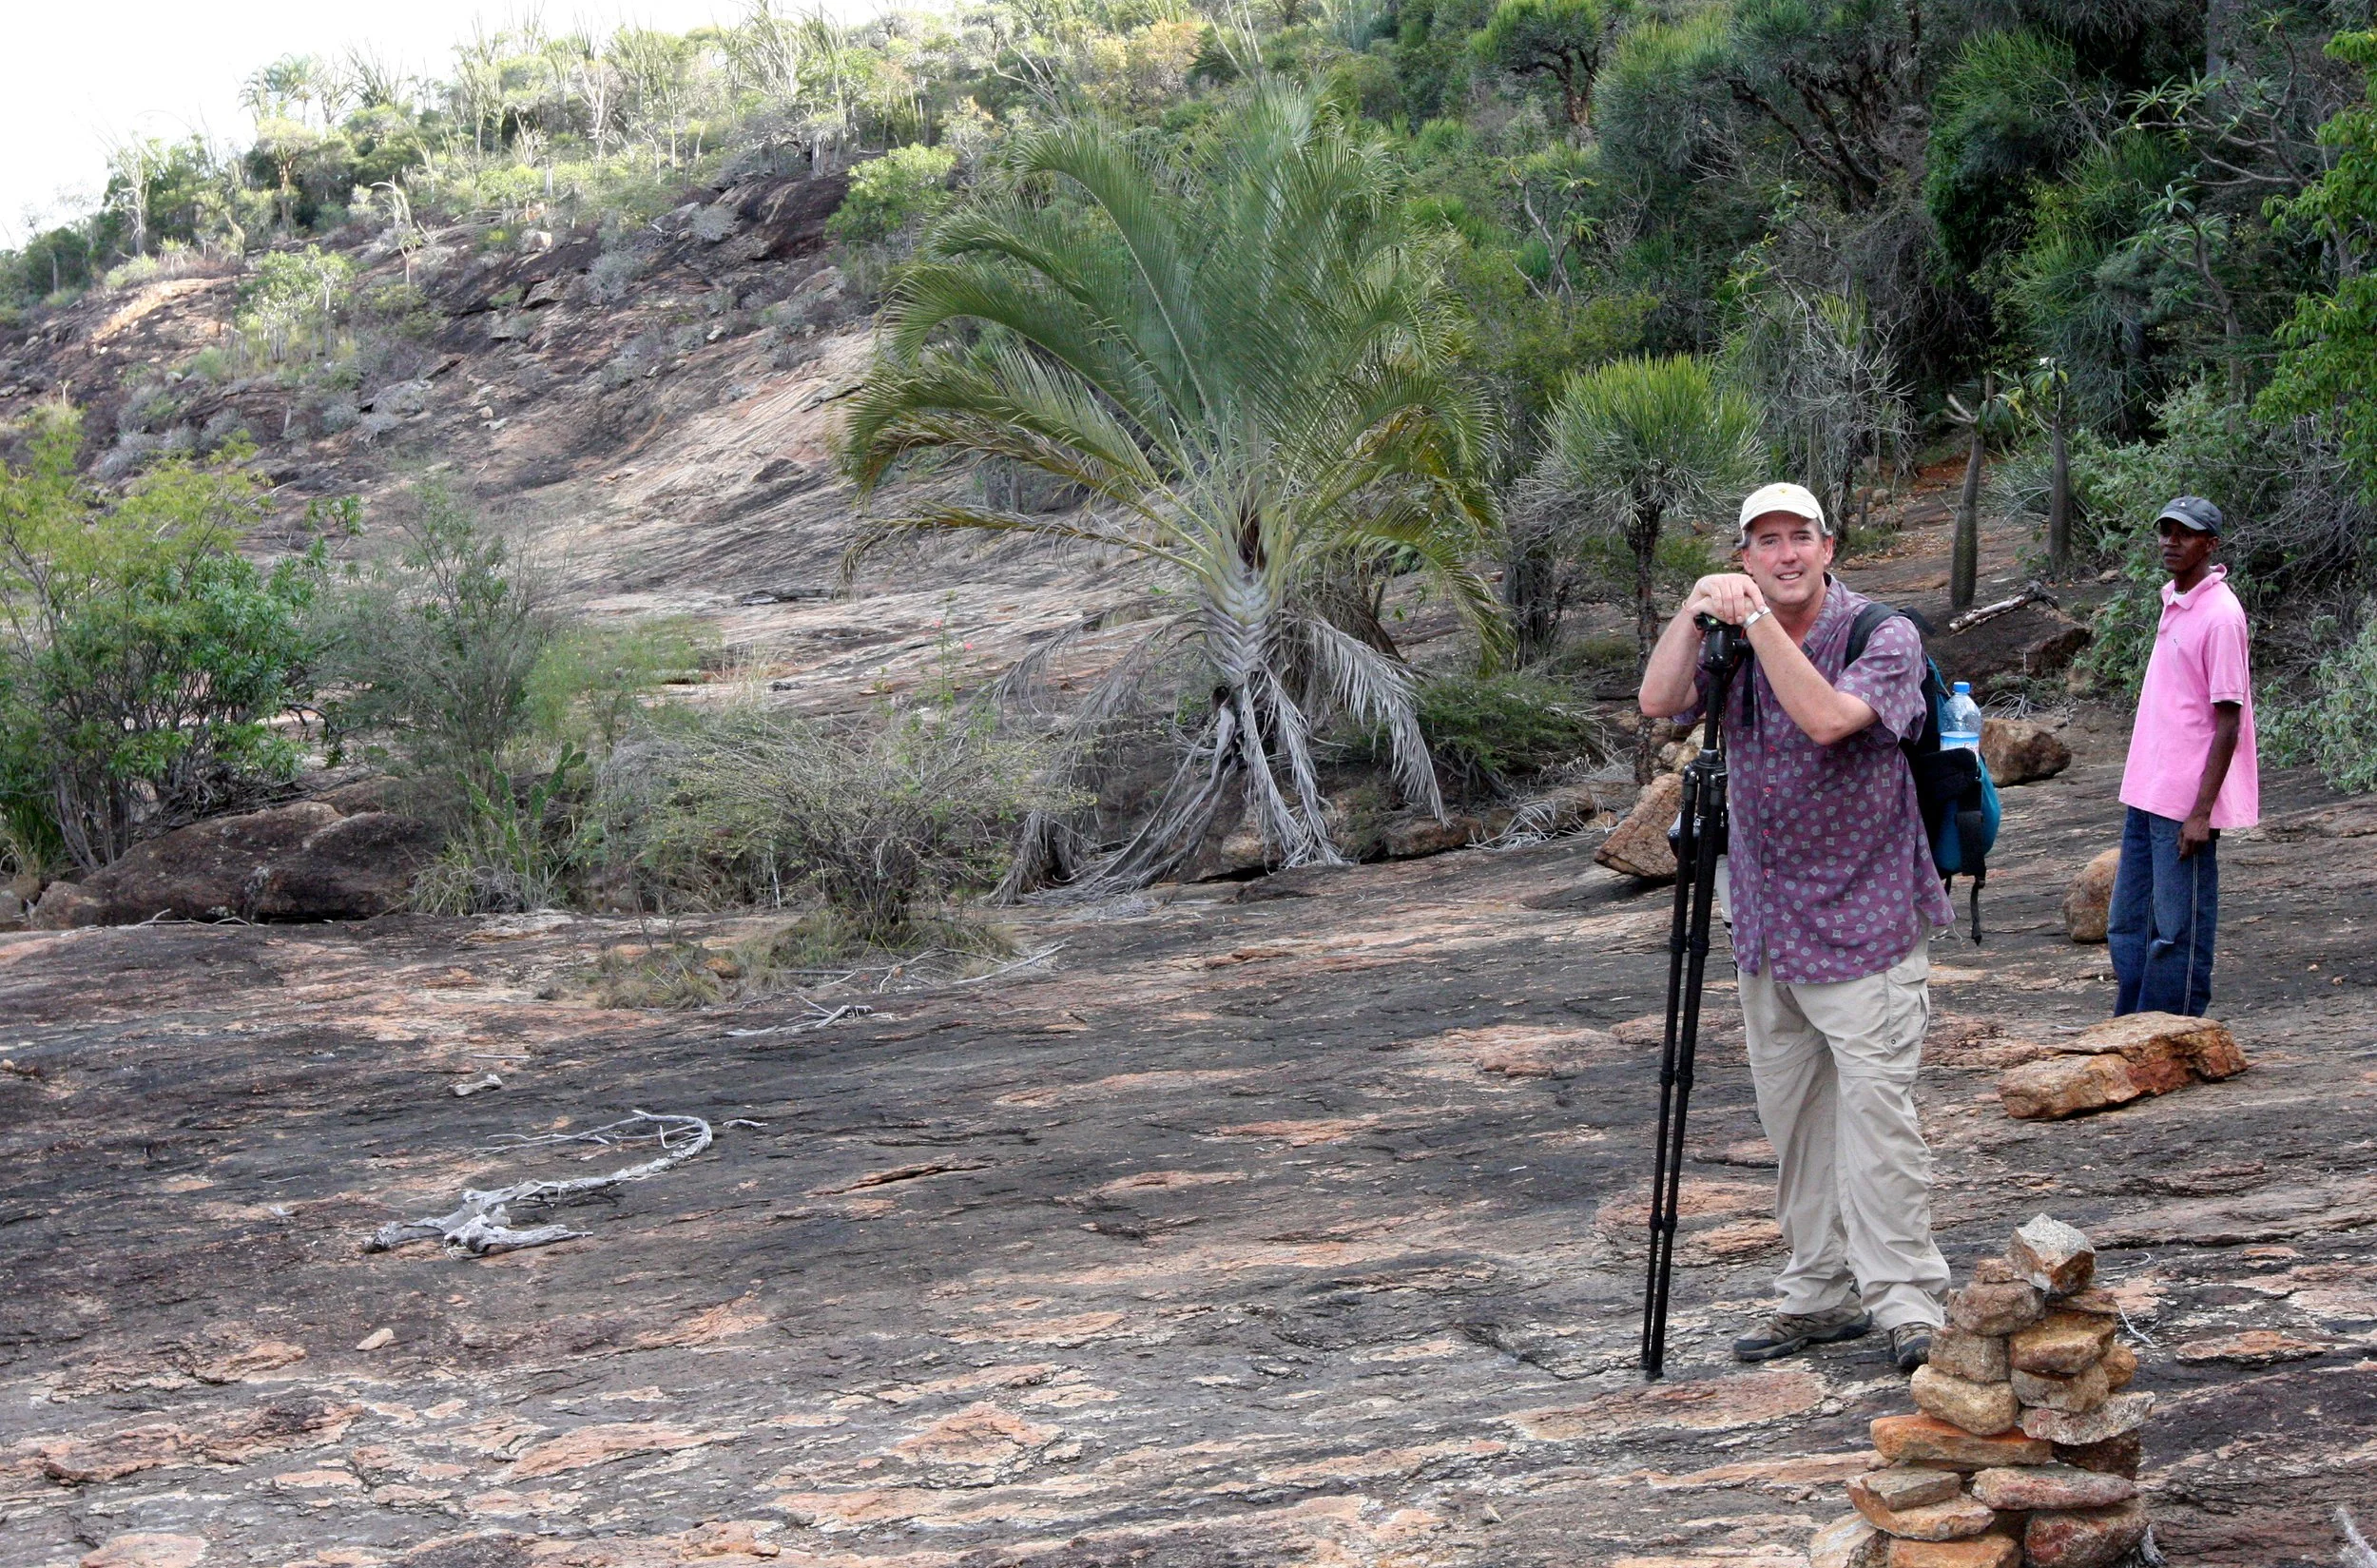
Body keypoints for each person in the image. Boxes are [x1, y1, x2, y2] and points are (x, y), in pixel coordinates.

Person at [1637, 481, 1953, 1375]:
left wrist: (1758, 626)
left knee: (1877, 1120)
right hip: (1767, 926)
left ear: (1828, 546)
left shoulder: (1881, 635)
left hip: (1868, 922)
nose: (1782, 555)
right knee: (1796, 1124)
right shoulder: (1728, 636)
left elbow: (1826, 720)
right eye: (1763, 542)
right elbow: (1660, 700)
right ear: (1744, 554)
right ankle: (1819, 1292)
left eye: (1797, 539)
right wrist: (1696, 610)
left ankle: (1905, 1300)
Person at [2110, 496, 2258, 1017]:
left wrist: (2200, 813)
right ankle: (2129, 1026)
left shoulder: (2221, 618)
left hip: (2183, 803)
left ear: (2210, 543)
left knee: (2178, 928)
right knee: (2127, 923)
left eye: (2185, 533)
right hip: (2146, 791)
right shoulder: (2174, 599)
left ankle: (2173, 1030)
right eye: (2165, 531)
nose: (2171, 541)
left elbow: (2228, 722)